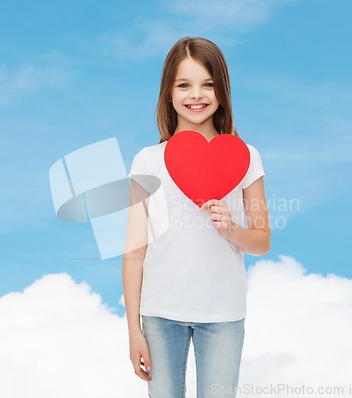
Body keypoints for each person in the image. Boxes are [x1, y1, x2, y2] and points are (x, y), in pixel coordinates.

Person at [122, 37, 270, 398]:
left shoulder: (245, 157)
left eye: (207, 84)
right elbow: (134, 251)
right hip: (160, 314)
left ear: (222, 89)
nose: (196, 95)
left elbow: (262, 241)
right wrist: (133, 330)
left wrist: (231, 228)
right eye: (184, 85)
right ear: (168, 92)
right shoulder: (147, 161)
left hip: (223, 314)